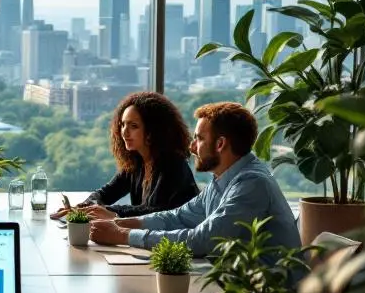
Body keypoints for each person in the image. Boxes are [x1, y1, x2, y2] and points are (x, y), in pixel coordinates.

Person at [88, 101, 299, 258]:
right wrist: (114, 223)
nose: (191, 147)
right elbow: (176, 218)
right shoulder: (221, 181)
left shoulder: (252, 184)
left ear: (220, 144)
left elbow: (202, 241)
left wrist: (122, 235)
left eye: (198, 139)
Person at [51, 92, 199, 220]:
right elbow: (105, 193)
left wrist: (107, 211)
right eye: (123, 124)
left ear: (153, 131)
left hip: (176, 248)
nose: (124, 132)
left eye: (133, 126)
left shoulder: (173, 166)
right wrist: (87, 206)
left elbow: (153, 212)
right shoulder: (137, 163)